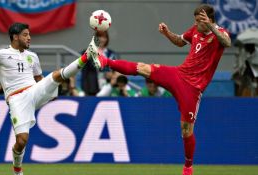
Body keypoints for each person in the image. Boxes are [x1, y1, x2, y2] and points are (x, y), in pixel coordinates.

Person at [89, 4, 231, 175]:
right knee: (144, 68)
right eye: (196, 21)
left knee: (186, 130)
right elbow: (180, 41)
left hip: (193, 88)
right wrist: (167, 33)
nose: (197, 24)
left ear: (209, 19)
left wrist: (210, 26)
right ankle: (105, 61)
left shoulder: (220, 34)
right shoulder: (195, 30)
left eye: (200, 21)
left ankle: (188, 166)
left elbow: (227, 42)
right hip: (179, 74)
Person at [0, 22, 98, 175]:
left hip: (34, 90)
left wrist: (48, 90)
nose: (29, 38)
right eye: (25, 35)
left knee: (55, 75)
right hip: (16, 99)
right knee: (21, 141)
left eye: (29, 35)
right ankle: (17, 169)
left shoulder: (32, 56)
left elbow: (39, 78)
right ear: (15, 37)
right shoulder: (1, 54)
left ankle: (86, 56)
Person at [81, 30, 119, 95]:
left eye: (104, 37)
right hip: (92, 88)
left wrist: (112, 75)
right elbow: (84, 73)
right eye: (99, 37)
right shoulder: (88, 52)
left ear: (107, 39)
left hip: (108, 87)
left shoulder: (111, 54)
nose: (102, 39)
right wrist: (85, 89)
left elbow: (117, 70)